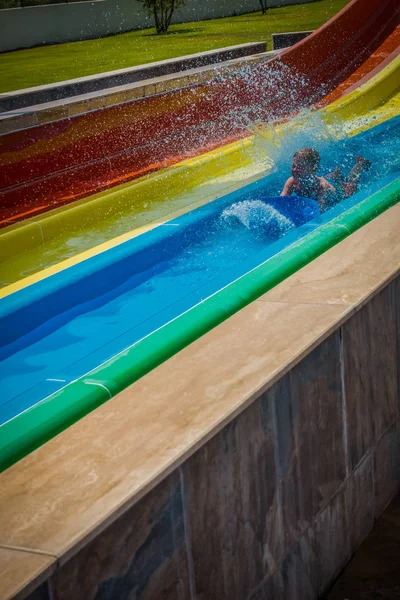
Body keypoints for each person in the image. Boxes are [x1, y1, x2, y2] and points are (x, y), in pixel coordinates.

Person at [281, 148, 371, 212]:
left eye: (300, 167)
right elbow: (281, 200)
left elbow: (320, 210)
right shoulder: (291, 182)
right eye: (293, 166)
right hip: (325, 180)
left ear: (313, 170)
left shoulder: (321, 187)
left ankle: (359, 163)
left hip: (339, 192)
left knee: (350, 188)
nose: (294, 170)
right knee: (327, 178)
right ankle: (335, 174)